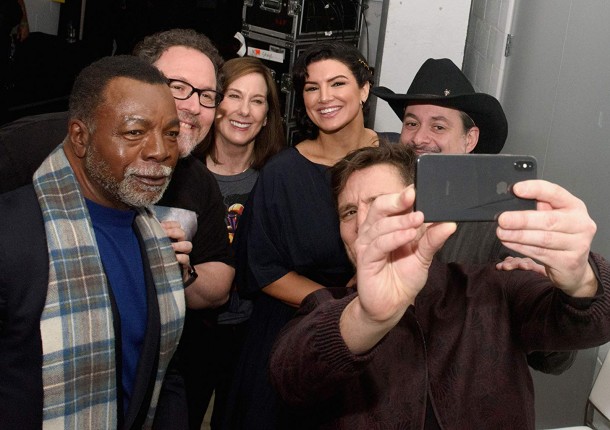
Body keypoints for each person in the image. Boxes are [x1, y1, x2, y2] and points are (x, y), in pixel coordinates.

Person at [269, 143, 610, 429]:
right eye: (348, 213)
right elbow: (289, 376)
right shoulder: (325, 307)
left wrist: (581, 279)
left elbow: (587, 326)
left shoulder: (493, 288)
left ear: (424, 211)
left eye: (380, 203)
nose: (362, 223)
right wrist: (367, 318)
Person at [0, 55, 190, 429]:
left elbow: (164, 371)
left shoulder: (155, 242)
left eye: (171, 133)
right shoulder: (11, 234)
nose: (160, 151)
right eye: (134, 132)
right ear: (80, 137)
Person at [371, 57, 575, 374]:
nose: (419, 138)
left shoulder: (502, 221)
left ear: (470, 139)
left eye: (438, 126)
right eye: (411, 123)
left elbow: (553, 357)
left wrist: (567, 292)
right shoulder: (385, 204)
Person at [226, 41, 378, 428]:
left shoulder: (393, 161)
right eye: (312, 87)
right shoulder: (282, 173)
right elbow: (262, 269)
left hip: (378, 338)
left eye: (338, 83)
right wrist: (338, 305)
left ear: (364, 89)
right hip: (293, 332)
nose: (324, 97)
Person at [183, 56, 285, 429]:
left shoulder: (276, 179)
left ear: (267, 116)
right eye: (234, 96)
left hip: (251, 332)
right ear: (214, 102)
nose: (244, 110)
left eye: (257, 101)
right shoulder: (183, 172)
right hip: (188, 328)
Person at [134, 28, 234, 311]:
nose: (193, 106)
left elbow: (220, 288)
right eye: (178, 87)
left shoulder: (200, 181)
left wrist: (180, 272)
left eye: (207, 95)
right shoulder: (72, 155)